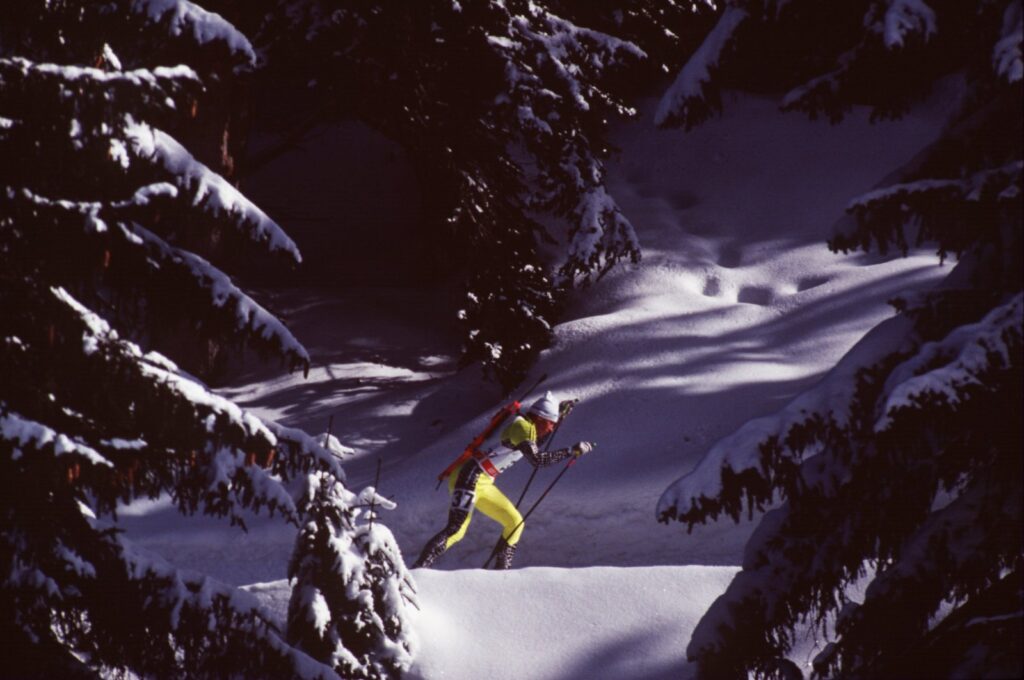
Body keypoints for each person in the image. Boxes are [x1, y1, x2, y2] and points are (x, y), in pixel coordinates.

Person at [413, 391, 593, 569]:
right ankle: (418, 569)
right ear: (540, 419)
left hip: (483, 481)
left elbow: (536, 445)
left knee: (515, 523)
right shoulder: (521, 427)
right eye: (551, 424)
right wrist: (570, 450)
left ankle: (502, 575)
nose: (552, 429)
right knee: (456, 530)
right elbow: (538, 460)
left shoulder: (528, 428)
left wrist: (559, 418)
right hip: (468, 477)